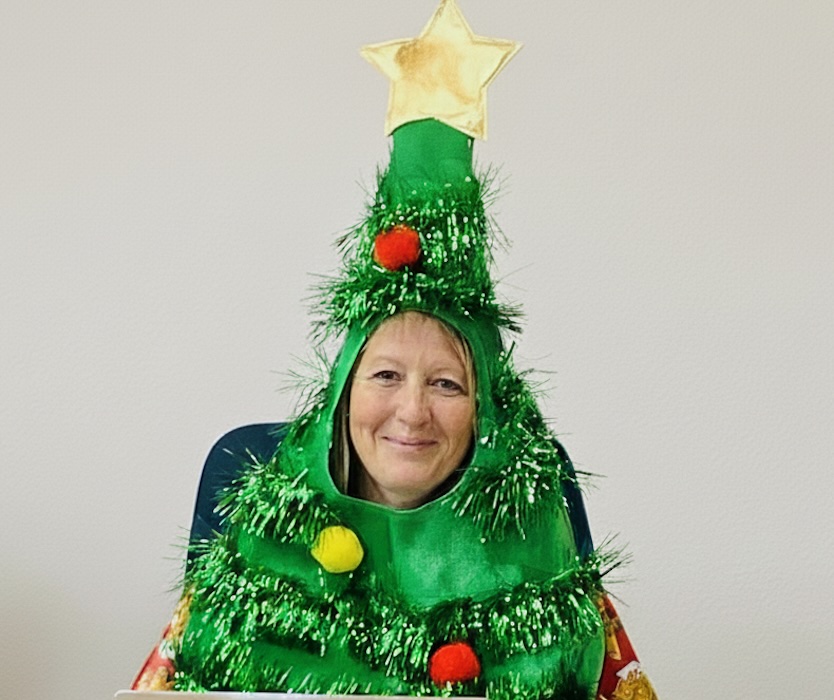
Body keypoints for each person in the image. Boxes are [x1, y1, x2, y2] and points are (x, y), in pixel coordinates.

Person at [132, 2, 659, 698]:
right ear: (341, 394)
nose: (412, 412)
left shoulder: (542, 552)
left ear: (486, 411)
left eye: (446, 384)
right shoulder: (258, 545)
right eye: (385, 374)